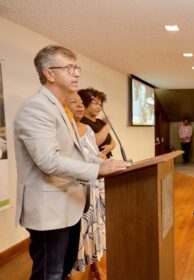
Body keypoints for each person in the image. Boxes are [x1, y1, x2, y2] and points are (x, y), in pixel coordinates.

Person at [13, 45, 129, 280]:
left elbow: (72, 154)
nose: (76, 73)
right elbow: (48, 161)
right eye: (69, 68)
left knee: (63, 269)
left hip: (69, 206)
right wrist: (97, 168)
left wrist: (104, 162)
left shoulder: (59, 109)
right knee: (50, 274)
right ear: (49, 73)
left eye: (76, 67)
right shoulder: (37, 108)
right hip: (49, 209)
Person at [67, 93, 106, 278]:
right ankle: (69, 271)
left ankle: (94, 267)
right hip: (74, 189)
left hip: (93, 187)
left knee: (92, 228)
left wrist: (102, 160)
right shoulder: (64, 130)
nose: (80, 106)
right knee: (77, 232)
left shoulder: (88, 130)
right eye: (74, 102)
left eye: (81, 103)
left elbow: (93, 154)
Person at [78, 88, 115, 158]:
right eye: (95, 104)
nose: (99, 107)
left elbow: (112, 141)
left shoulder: (100, 122)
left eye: (100, 105)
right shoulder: (81, 122)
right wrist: (108, 125)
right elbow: (95, 142)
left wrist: (110, 147)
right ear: (85, 104)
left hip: (107, 160)